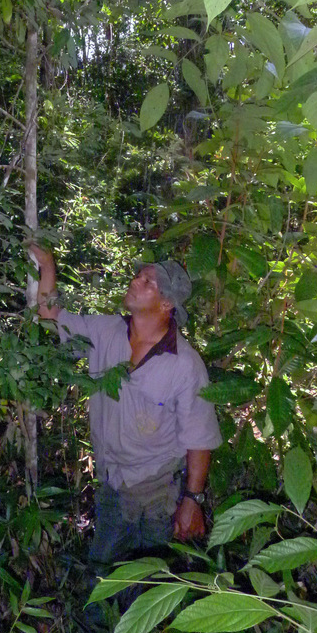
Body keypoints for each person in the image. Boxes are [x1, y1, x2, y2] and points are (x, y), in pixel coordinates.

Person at [29, 245, 222, 572]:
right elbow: (50, 315)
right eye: (138, 275)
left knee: (154, 583)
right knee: (103, 580)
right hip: (112, 486)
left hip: (158, 496)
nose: (135, 281)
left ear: (166, 304)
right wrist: (47, 264)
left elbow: (199, 438)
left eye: (148, 282)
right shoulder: (105, 331)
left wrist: (193, 500)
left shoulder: (185, 364)